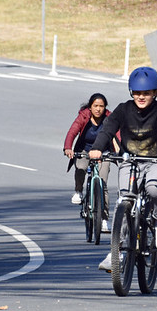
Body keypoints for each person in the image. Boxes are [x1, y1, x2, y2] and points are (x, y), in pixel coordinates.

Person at [88, 67, 157, 270]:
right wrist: (96, 149)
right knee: (125, 201)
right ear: (131, 92)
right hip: (130, 161)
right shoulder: (123, 109)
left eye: (146, 93)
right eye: (137, 92)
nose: (141, 97)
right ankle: (116, 253)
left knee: (154, 188)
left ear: (155, 92)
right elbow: (108, 129)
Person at [63, 93, 115, 232]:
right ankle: (78, 191)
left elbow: (120, 134)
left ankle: (104, 219)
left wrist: (123, 152)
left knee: (103, 184)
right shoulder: (83, 116)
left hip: (103, 153)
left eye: (101, 106)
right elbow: (73, 131)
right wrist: (68, 147)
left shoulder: (109, 118)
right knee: (80, 168)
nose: (98, 109)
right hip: (84, 151)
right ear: (90, 107)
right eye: (95, 106)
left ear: (105, 108)